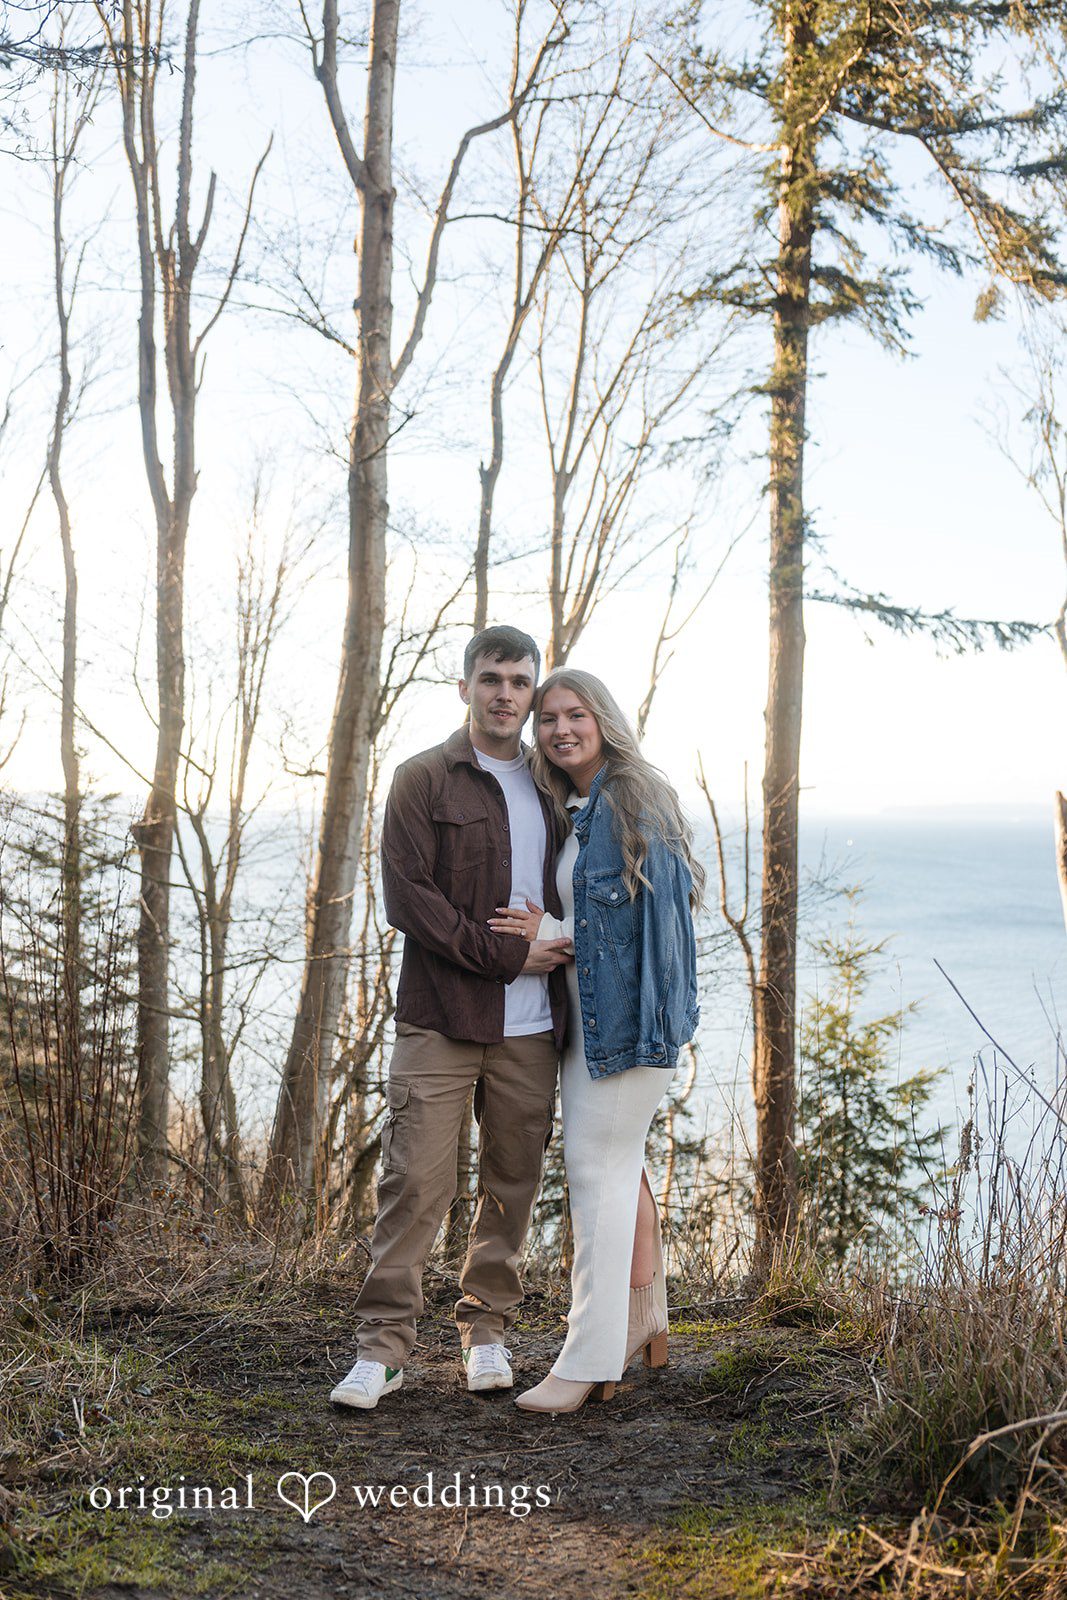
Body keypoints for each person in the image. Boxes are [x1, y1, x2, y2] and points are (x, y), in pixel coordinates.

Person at [330, 625, 573, 1410]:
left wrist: (556, 944)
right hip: (440, 1017)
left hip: (532, 1030)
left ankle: (486, 1334)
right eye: (491, 678)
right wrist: (504, 956)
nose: (505, 693)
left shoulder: (556, 788)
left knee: (512, 1184)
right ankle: (381, 1352)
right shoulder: (422, 778)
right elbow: (410, 901)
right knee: (413, 1185)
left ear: (532, 693)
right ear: (465, 686)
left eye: (519, 681)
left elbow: (583, 890)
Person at [488, 668, 702, 1414]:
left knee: (595, 1175)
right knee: (618, 1167)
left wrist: (548, 930)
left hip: (626, 1027)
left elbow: (647, 929)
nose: (560, 729)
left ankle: (586, 1360)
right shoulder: (586, 805)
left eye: (574, 714)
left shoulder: (633, 798)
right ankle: (643, 1319)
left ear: (603, 719)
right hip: (593, 1024)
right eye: (547, 719)